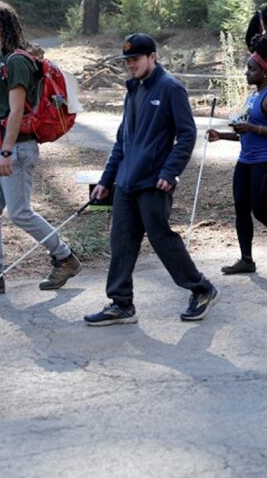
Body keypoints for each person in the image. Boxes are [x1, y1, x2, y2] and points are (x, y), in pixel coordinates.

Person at [84, 33, 220, 326]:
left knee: (161, 239)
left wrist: (170, 172)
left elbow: (186, 135)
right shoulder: (132, 90)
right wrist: (106, 181)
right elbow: (122, 141)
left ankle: (202, 289)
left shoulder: (170, 88)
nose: (130, 65)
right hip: (126, 183)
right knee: (121, 241)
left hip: (154, 183)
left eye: (135, 59)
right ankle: (121, 304)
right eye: (127, 61)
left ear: (152, 57)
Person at [0, 2, 82, 298]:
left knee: (20, 213)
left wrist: (8, 152)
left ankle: (64, 258)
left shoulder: (17, 62)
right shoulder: (1, 61)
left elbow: (15, 111)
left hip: (17, 148)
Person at [209, 33, 267, 276]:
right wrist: (221, 135)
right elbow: (245, 133)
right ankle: (246, 260)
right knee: (241, 209)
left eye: (251, 69)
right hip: (245, 161)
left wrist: (253, 128)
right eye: (247, 68)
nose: (246, 73)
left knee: (260, 210)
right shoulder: (252, 96)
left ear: (264, 71)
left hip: (266, 163)